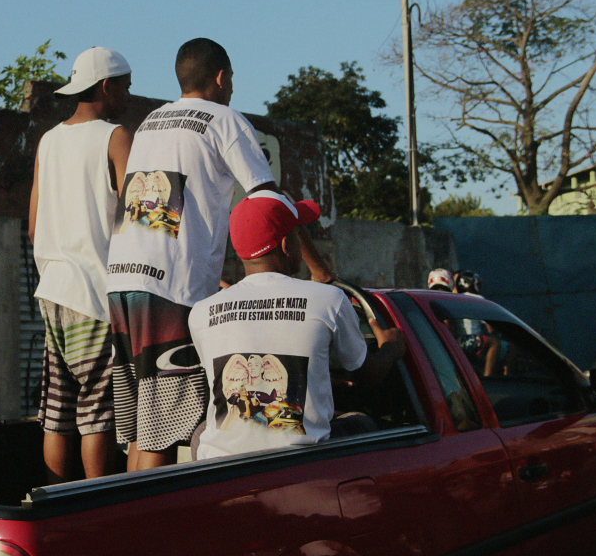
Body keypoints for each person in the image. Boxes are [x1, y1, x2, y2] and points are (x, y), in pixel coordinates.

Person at [106, 38, 333, 471]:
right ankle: (144, 531)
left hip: (121, 282)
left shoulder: (152, 121)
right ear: (221, 77)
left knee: (142, 428)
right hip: (169, 286)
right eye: (232, 80)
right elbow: (271, 204)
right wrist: (318, 269)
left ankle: (128, 523)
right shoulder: (224, 120)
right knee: (164, 430)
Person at [187, 192, 405, 459]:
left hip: (221, 465)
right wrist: (391, 348)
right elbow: (369, 377)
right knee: (363, 423)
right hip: (301, 462)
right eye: (297, 234)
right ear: (286, 244)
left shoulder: (201, 313)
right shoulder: (329, 299)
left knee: (202, 432)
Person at [28, 46, 133, 483]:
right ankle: (95, 497)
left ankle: (56, 495)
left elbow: (33, 226)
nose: (129, 94)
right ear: (106, 86)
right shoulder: (115, 136)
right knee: (97, 409)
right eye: (126, 85)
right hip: (94, 291)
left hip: (52, 289)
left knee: (58, 409)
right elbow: (138, 214)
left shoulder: (49, 140)